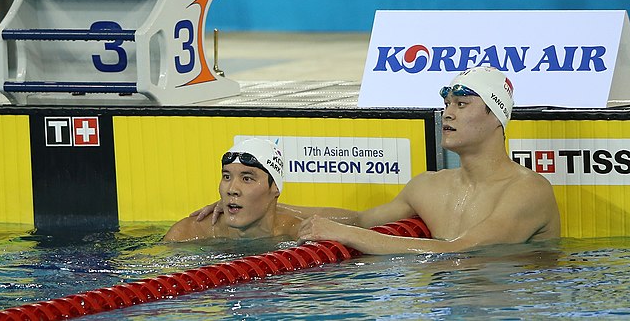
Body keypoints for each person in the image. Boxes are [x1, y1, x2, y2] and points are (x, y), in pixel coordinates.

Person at [192, 67, 561, 254]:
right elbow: (361, 219)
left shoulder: (527, 191)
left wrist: (348, 235)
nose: (447, 114)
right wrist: (264, 204)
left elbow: (456, 251)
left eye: (461, 105)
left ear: (497, 117)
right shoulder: (428, 186)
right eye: (446, 104)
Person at [164, 138, 300, 242]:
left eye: (247, 179)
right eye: (227, 177)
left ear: (275, 187)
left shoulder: (296, 233)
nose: (232, 189)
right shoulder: (188, 233)